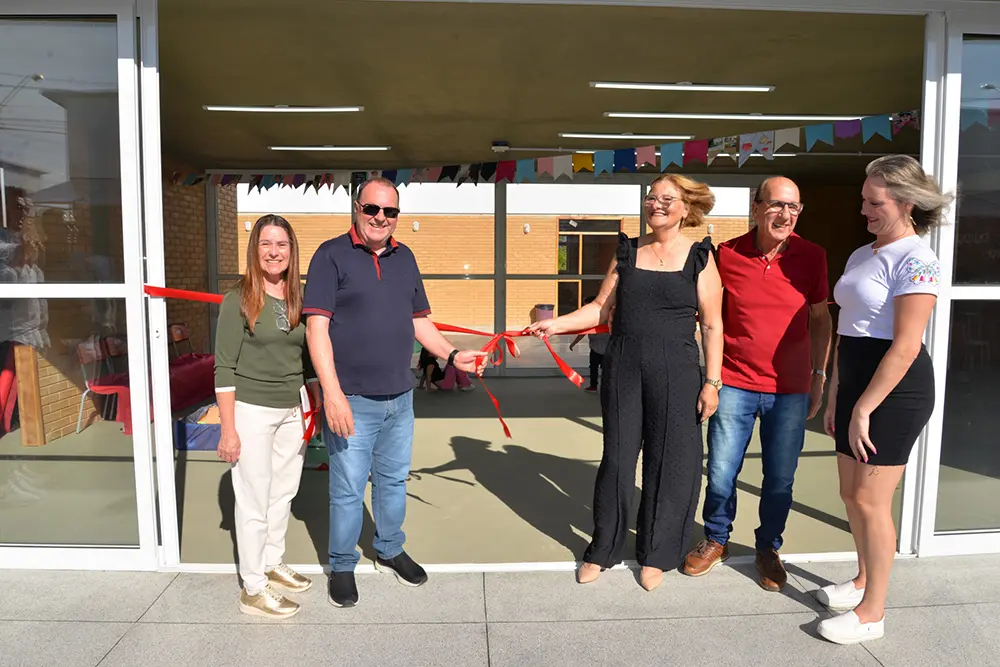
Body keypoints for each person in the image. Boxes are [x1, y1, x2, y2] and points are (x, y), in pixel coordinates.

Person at [528, 174, 723, 591]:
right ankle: (603, 548)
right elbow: (600, 308)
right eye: (651, 197)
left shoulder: (701, 258)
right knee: (617, 460)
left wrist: (713, 382)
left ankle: (657, 553)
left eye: (667, 198)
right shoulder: (627, 251)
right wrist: (555, 324)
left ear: (685, 208)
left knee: (669, 462)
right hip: (625, 368)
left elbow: (711, 324)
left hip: (678, 369)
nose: (656, 204)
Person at [304, 177, 486, 608]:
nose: (380, 218)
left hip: (400, 399)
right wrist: (331, 394)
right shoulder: (331, 255)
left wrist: (452, 354)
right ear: (356, 208)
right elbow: (317, 329)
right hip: (351, 399)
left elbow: (419, 321)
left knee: (392, 483)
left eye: (390, 212)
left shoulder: (405, 258)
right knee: (348, 490)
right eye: (372, 209)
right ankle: (342, 565)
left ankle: (389, 549)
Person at [815, 155, 950, 645]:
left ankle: (874, 614)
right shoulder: (861, 255)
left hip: (895, 392)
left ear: (906, 203)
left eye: (875, 203)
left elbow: (906, 345)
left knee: (872, 500)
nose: (864, 210)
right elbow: (848, 331)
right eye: (864, 201)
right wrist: (837, 395)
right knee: (851, 495)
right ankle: (863, 580)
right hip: (855, 383)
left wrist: (865, 408)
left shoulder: (918, 259)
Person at [683, 177, 832, 592]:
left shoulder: (812, 256)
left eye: (794, 208)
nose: (786, 215)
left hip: (789, 389)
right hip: (735, 383)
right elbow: (710, 319)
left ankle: (768, 547)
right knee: (721, 471)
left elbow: (821, 321)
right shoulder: (726, 255)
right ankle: (716, 538)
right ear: (755, 207)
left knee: (780, 477)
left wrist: (819, 376)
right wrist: (711, 379)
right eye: (777, 206)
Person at [214, 214, 319, 619]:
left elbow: (304, 357)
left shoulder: (298, 298)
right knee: (254, 501)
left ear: (292, 252)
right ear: (254, 250)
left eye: (282, 245)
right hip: (252, 412)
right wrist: (228, 429)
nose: (274, 252)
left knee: (283, 494)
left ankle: (273, 563)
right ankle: (253, 589)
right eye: (266, 245)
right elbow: (223, 368)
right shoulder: (237, 299)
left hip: (292, 408)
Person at [568, 296, 609, 393]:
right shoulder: (590, 319)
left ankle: (606, 387)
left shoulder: (606, 315)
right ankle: (593, 386)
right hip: (595, 347)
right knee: (593, 367)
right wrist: (574, 343)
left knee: (607, 369)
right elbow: (583, 332)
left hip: (607, 347)